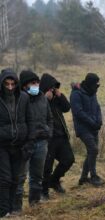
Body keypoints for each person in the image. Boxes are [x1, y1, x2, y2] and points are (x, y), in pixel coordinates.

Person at [16, 70, 53, 208]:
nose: (36, 85)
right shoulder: (19, 99)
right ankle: (16, 208)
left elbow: (49, 118)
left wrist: (48, 132)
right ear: (25, 85)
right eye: (33, 83)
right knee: (20, 177)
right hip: (25, 143)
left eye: (37, 82)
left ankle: (34, 204)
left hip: (42, 142)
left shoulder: (43, 98)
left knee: (37, 176)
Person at [0, 69, 31, 217]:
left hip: (20, 145)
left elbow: (29, 120)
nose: (10, 87)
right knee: (5, 178)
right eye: (7, 84)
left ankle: (13, 209)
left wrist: (29, 142)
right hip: (2, 145)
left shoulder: (24, 98)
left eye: (13, 84)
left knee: (16, 179)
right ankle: (3, 210)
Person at [40, 73, 75, 199]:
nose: (53, 90)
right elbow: (38, 114)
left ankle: (54, 181)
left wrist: (60, 95)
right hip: (48, 138)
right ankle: (43, 191)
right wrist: (45, 99)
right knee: (47, 166)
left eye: (54, 88)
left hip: (61, 136)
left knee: (69, 159)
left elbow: (67, 108)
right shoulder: (39, 99)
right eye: (51, 88)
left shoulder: (57, 98)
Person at [70, 73, 104, 187]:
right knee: (93, 150)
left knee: (91, 152)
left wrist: (99, 121)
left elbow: (97, 107)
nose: (97, 87)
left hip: (94, 127)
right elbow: (78, 112)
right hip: (83, 128)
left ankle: (83, 178)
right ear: (90, 83)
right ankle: (93, 176)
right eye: (95, 84)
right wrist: (92, 122)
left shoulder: (92, 92)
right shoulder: (76, 94)